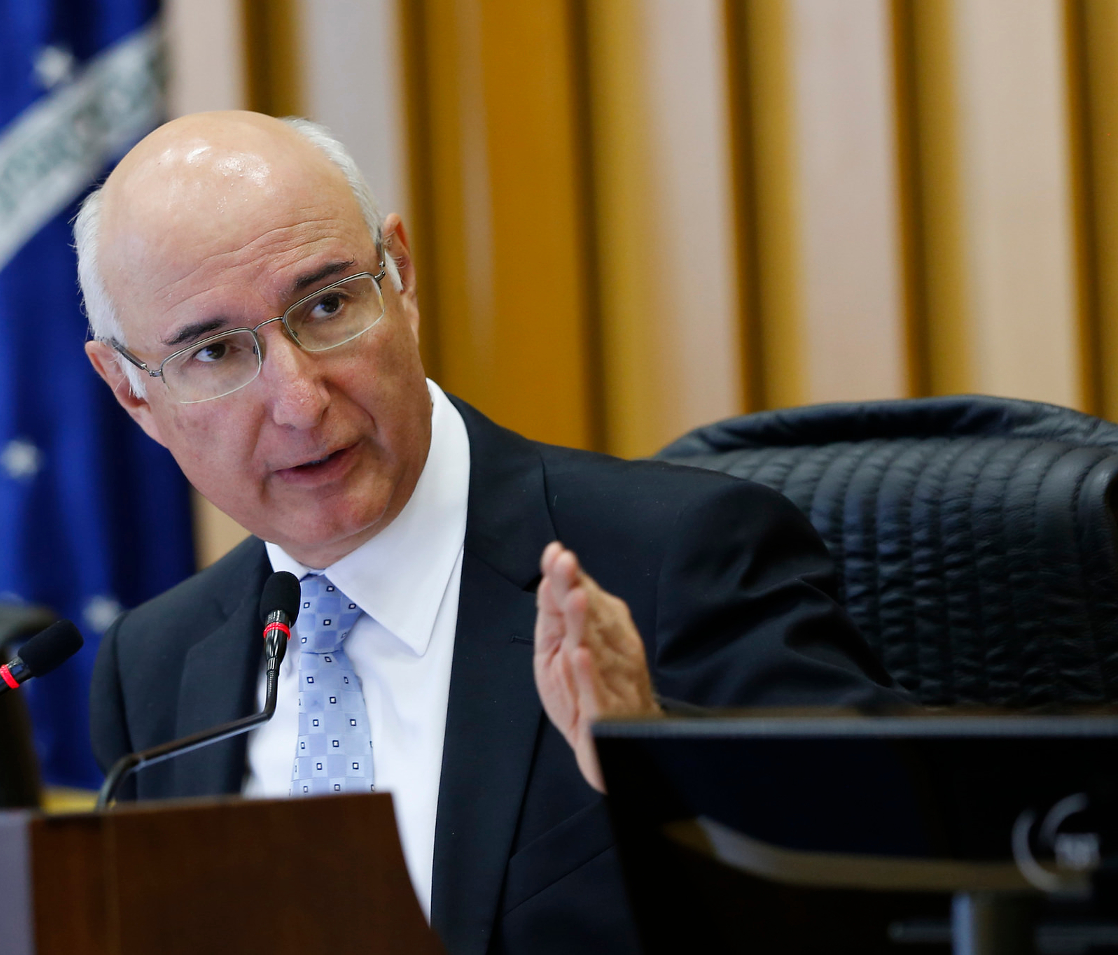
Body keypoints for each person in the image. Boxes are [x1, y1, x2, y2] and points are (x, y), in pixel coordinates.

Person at [78, 111, 904, 955]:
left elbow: (901, 900)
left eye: (326, 305)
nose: (298, 401)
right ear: (133, 393)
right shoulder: (155, 667)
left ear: (400, 278)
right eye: (216, 353)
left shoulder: (676, 561)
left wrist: (661, 776)